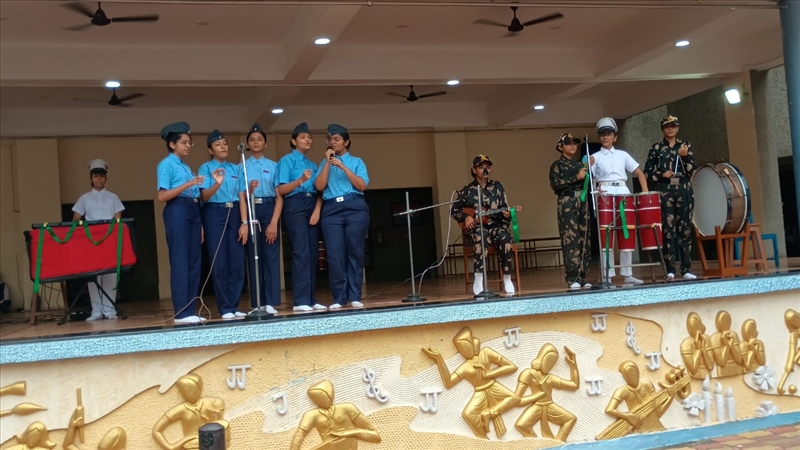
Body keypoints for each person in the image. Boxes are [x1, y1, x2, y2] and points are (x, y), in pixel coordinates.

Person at [314, 124, 370, 309]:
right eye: (330, 140)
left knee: (355, 251)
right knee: (334, 254)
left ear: (346, 142)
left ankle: (355, 296)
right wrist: (327, 163)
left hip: (355, 207)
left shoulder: (357, 161)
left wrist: (343, 167)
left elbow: (362, 185)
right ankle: (339, 298)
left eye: (336, 139)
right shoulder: (324, 163)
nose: (332, 142)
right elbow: (319, 186)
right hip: (331, 210)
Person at [589, 117, 649, 285]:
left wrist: (645, 193)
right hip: (605, 194)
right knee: (606, 234)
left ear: (615, 137)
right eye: (602, 134)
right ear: (599, 137)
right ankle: (607, 275)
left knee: (626, 231)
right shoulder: (595, 157)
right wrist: (587, 164)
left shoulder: (623, 155)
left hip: (623, 192)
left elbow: (639, 172)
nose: (605, 137)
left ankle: (627, 273)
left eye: (608, 134)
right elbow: (588, 176)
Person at [157, 122, 206, 324]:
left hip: (193, 210)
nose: (188, 146)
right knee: (180, 260)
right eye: (184, 142)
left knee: (194, 261)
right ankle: (181, 312)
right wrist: (189, 183)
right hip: (177, 209)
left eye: (189, 142)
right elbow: (162, 195)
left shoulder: (186, 167)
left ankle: (190, 310)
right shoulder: (166, 164)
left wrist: (200, 223)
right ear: (172, 144)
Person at [276, 123, 326, 312]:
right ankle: (300, 300)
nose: (307, 140)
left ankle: (311, 298)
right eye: (303, 137)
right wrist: (300, 181)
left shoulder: (312, 164)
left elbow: (320, 190)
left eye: (309, 137)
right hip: (295, 204)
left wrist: (317, 210)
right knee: (301, 251)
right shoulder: (287, 161)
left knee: (313, 252)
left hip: (311, 204)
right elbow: (281, 189)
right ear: (294, 141)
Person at [451, 155, 516, 296]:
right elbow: (454, 210)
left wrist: (507, 214)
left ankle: (507, 277)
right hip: (478, 227)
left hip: (496, 224)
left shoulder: (497, 187)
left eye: (488, 167)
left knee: (504, 238)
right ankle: (479, 277)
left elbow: (504, 208)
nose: (485, 169)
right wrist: (466, 217)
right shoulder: (468, 190)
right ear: (474, 170)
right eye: (481, 167)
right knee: (481, 236)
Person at [199, 130, 246, 320]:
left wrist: (244, 222)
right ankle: (225, 307)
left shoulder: (235, 168)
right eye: (218, 145)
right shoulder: (205, 168)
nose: (223, 147)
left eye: (225, 143)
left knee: (237, 261)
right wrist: (217, 184)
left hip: (234, 212)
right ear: (211, 150)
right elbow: (204, 196)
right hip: (214, 212)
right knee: (220, 261)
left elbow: (242, 197)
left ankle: (234, 305)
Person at [643, 115, 697, 280]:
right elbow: (647, 173)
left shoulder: (685, 146)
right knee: (668, 230)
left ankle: (686, 268)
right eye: (667, 126)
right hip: (665, 191)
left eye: (673, 126)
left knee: (685, 229)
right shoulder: (656, 148)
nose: (670, 129)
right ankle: (670, 268)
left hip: (683, 189)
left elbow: (692, 170)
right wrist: (661, 174)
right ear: (662, 129)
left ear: (678, 128)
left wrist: (685, 156)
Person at [72, 159, 125, 321]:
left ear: (106, 179)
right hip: (91, 240)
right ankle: (96, 311)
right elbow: (76, 217)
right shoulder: (85, 198)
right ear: (91, 178)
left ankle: (110, 310)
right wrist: (82, 232)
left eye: (101, 176)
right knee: (93, 275)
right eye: (95, 176)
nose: (99, 179)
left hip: (109, 238)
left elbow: (118, 218)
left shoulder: (113, 197)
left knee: (110, 274)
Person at [241, 123, 283, 315]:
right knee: (253, 255)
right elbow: (241, 196)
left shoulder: (273, 166)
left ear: (265, 143)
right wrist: (249, 190)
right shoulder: (242, 166)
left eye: (259, 139)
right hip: (251, 209)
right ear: (248, 144)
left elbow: (279, 196)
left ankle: (271, 302)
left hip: (269, 207)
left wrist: (274, 222)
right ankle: (257, 302)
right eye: (252, 140)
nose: (256, 142)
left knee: (271, 255)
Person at [549, 133, 592, 289]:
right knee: (570, 238)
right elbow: (555, 185)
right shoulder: (557, 165)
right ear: (561, 147)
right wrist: (576, 177)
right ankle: (573, 277)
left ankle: (583, 275)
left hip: (582, 201)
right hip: (567, 201)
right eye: (569, 143)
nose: (573, 146)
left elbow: (586, 181)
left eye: (574, 143)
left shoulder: (580, 164)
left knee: (584, 238)